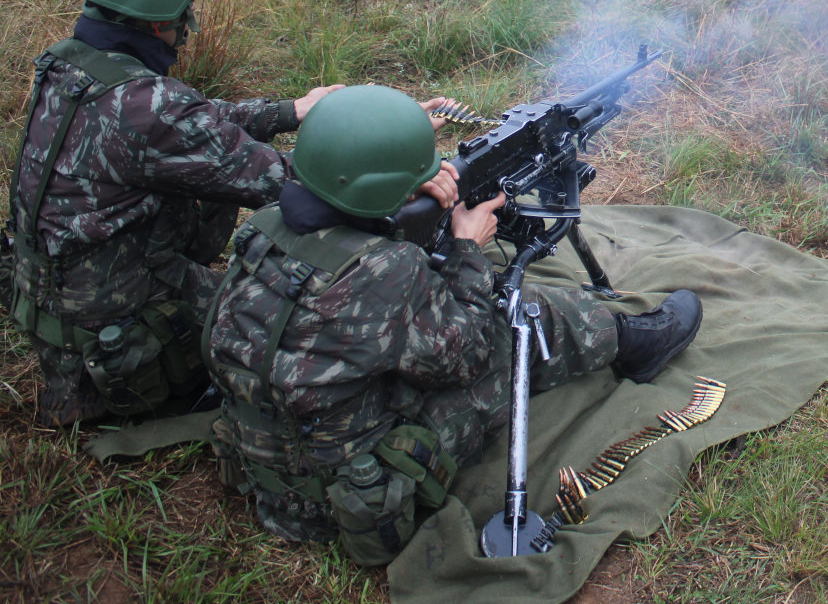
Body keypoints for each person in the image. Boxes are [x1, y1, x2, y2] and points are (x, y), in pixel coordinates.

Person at [204, 85, 702, 557]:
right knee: (520, 319)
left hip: (265, 468)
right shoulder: (383, 273)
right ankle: (636, 341)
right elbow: (465, 354)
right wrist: (467, 248)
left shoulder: (262, 229)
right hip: (350, 496)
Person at [5, 0, 353, 426]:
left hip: (61, 314)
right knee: (309, 324)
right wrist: (385, 160)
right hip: (118, 348)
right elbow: (287, 183)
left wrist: (289, 112)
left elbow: (192, 123)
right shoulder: (150, 107)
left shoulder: (68, 67)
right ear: (157, 18)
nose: (188, 25)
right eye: (185, 10)